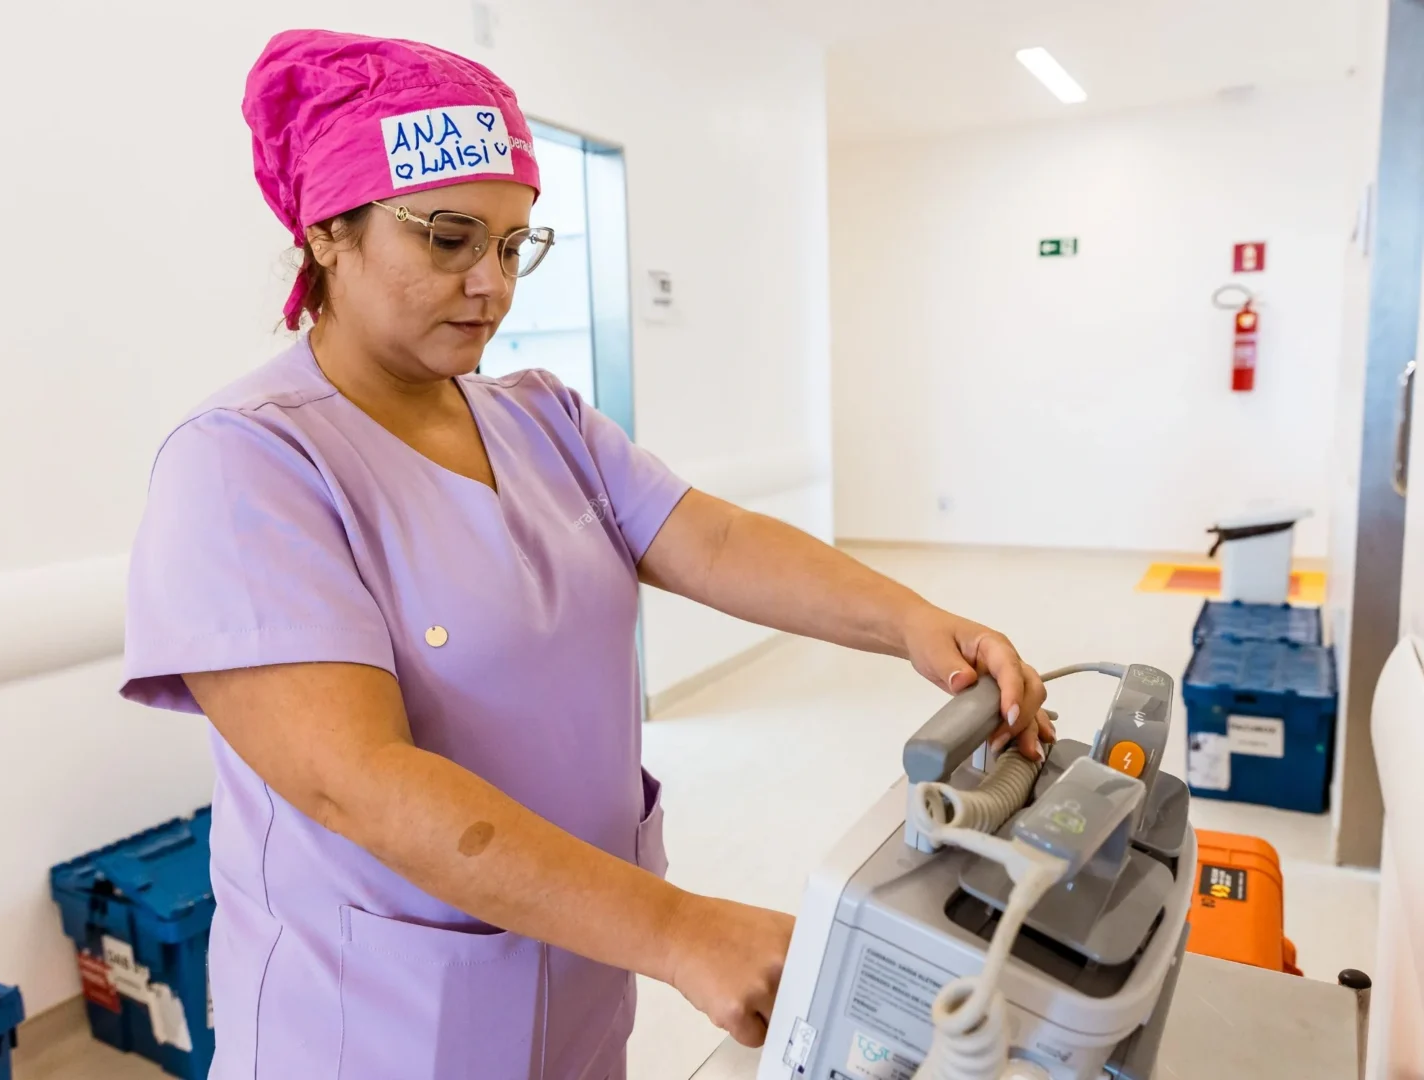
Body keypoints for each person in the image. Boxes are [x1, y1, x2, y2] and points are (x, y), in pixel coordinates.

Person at [120, 28, 1056, 1080]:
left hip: (578, 967)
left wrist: (914, 622)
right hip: (377, 1020)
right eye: (449, 239)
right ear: (329, 231)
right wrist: (678, 929)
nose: (491, 284)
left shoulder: (541, 417)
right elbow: (356, 781)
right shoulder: (245, 463)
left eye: (514, 245)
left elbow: (714, 539)